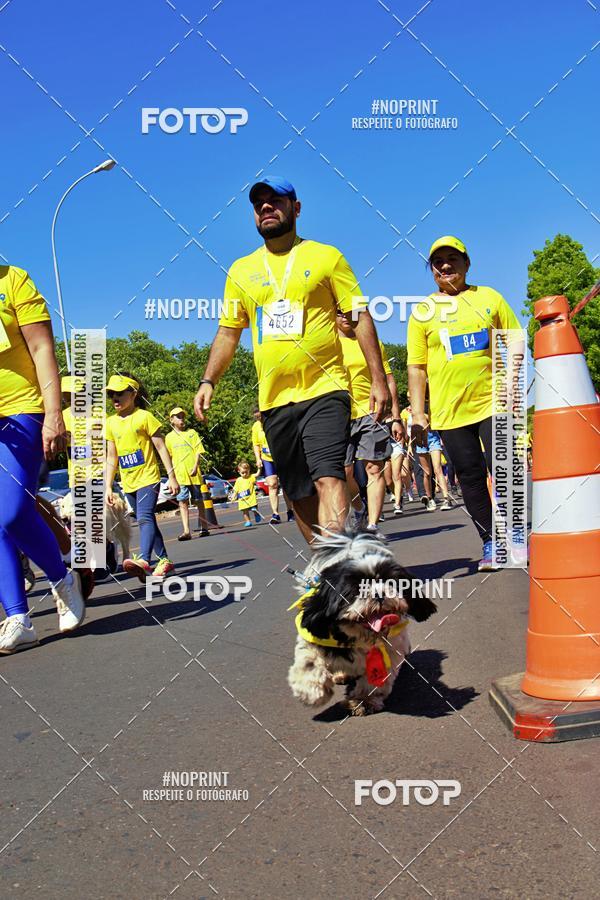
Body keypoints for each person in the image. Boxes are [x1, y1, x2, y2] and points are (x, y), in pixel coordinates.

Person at [194, 175, 390, 544]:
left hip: (325, 389)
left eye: (275, 201)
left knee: (329, 476)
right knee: (297, 492)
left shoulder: (326, 257)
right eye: (259, 204)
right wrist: (208, 381)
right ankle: (325, 567)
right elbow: (228, 332)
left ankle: (339, 567)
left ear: (296, 208)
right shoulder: (240, 271)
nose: (266, 208)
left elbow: (360, 316)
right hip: (273, 400)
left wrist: (378, 380)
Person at [407, 235, 523, 571]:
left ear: (466, 263)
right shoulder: (422, 312)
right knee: (470, 477)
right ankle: (491, 543)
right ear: (431, 270)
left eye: (452, 259)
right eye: (437, 262)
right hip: (448, 413)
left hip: (492, 402)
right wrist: (417, 412)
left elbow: (515, 339)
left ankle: (516, 537)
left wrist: (511, 383)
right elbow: (416, 367)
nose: (445, 266)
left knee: (505, 470)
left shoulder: (489, 297)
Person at [0, 264, 85, 653]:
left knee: (14, 512)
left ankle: (62, 579)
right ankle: (18, 617)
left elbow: (41, 347)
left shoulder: (12, 279)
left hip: (21, 410)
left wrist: (53, 413)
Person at [105, 373, 179, 582]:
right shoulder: (110, 423)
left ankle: (143, 560)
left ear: (134, 394)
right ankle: (165, 560)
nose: (115, 398)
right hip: (128, 482)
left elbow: (161, 447)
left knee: (145, 518)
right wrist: (108, 486)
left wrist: (171, 477)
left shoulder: (144, 417)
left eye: (119, 393)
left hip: (149, 478)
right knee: (147, 521)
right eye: (111, 394)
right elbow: (112, 457)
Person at [337, 312, 404, 532]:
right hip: (340, 413)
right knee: (344, 472)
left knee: (374, 468)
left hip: (372, 411)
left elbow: (389, 379)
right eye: (338, 312)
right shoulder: (327, 342)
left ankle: (373, 526)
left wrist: (395, 418)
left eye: (350, 311)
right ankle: (359, 508)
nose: (345, 316)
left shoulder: (370, 341)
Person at [165, 407, 210, 540]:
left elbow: (198, 451)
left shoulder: (192, 433)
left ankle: (204, 527)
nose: (182, 419)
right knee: (182, 502)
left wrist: (196, 466)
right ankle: (186, 531)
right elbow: (168, 457)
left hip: (194, 474)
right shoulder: (169, 437)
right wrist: (171, 476)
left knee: (198, 501)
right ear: (171, 420)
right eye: (178, 417)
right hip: (180, 475)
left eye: (183, 416)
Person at [251, 407, 294, 524]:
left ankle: (291, 511)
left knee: (285, 484)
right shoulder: (256, 426)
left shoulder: (274, 420)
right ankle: (275, 514)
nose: (258, 419)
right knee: (272, 484)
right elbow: (256, 444)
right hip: (267, 458)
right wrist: (258, 458)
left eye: (259, 416)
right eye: (256, 417)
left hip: (281, 456)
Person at [232, 461, 262, 527]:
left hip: (251, 497)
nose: (245, 474)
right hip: (242, 499)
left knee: (254, 508)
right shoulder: (238, 480)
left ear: (249, 470)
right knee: (245, 511)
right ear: (239, 472)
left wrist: (259, 468)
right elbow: (235, 489)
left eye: (246, 472)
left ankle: (256, 515)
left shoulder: (251, 477)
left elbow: (257, 474)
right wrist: (233, 496)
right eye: (243, 473)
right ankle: (248, 521)